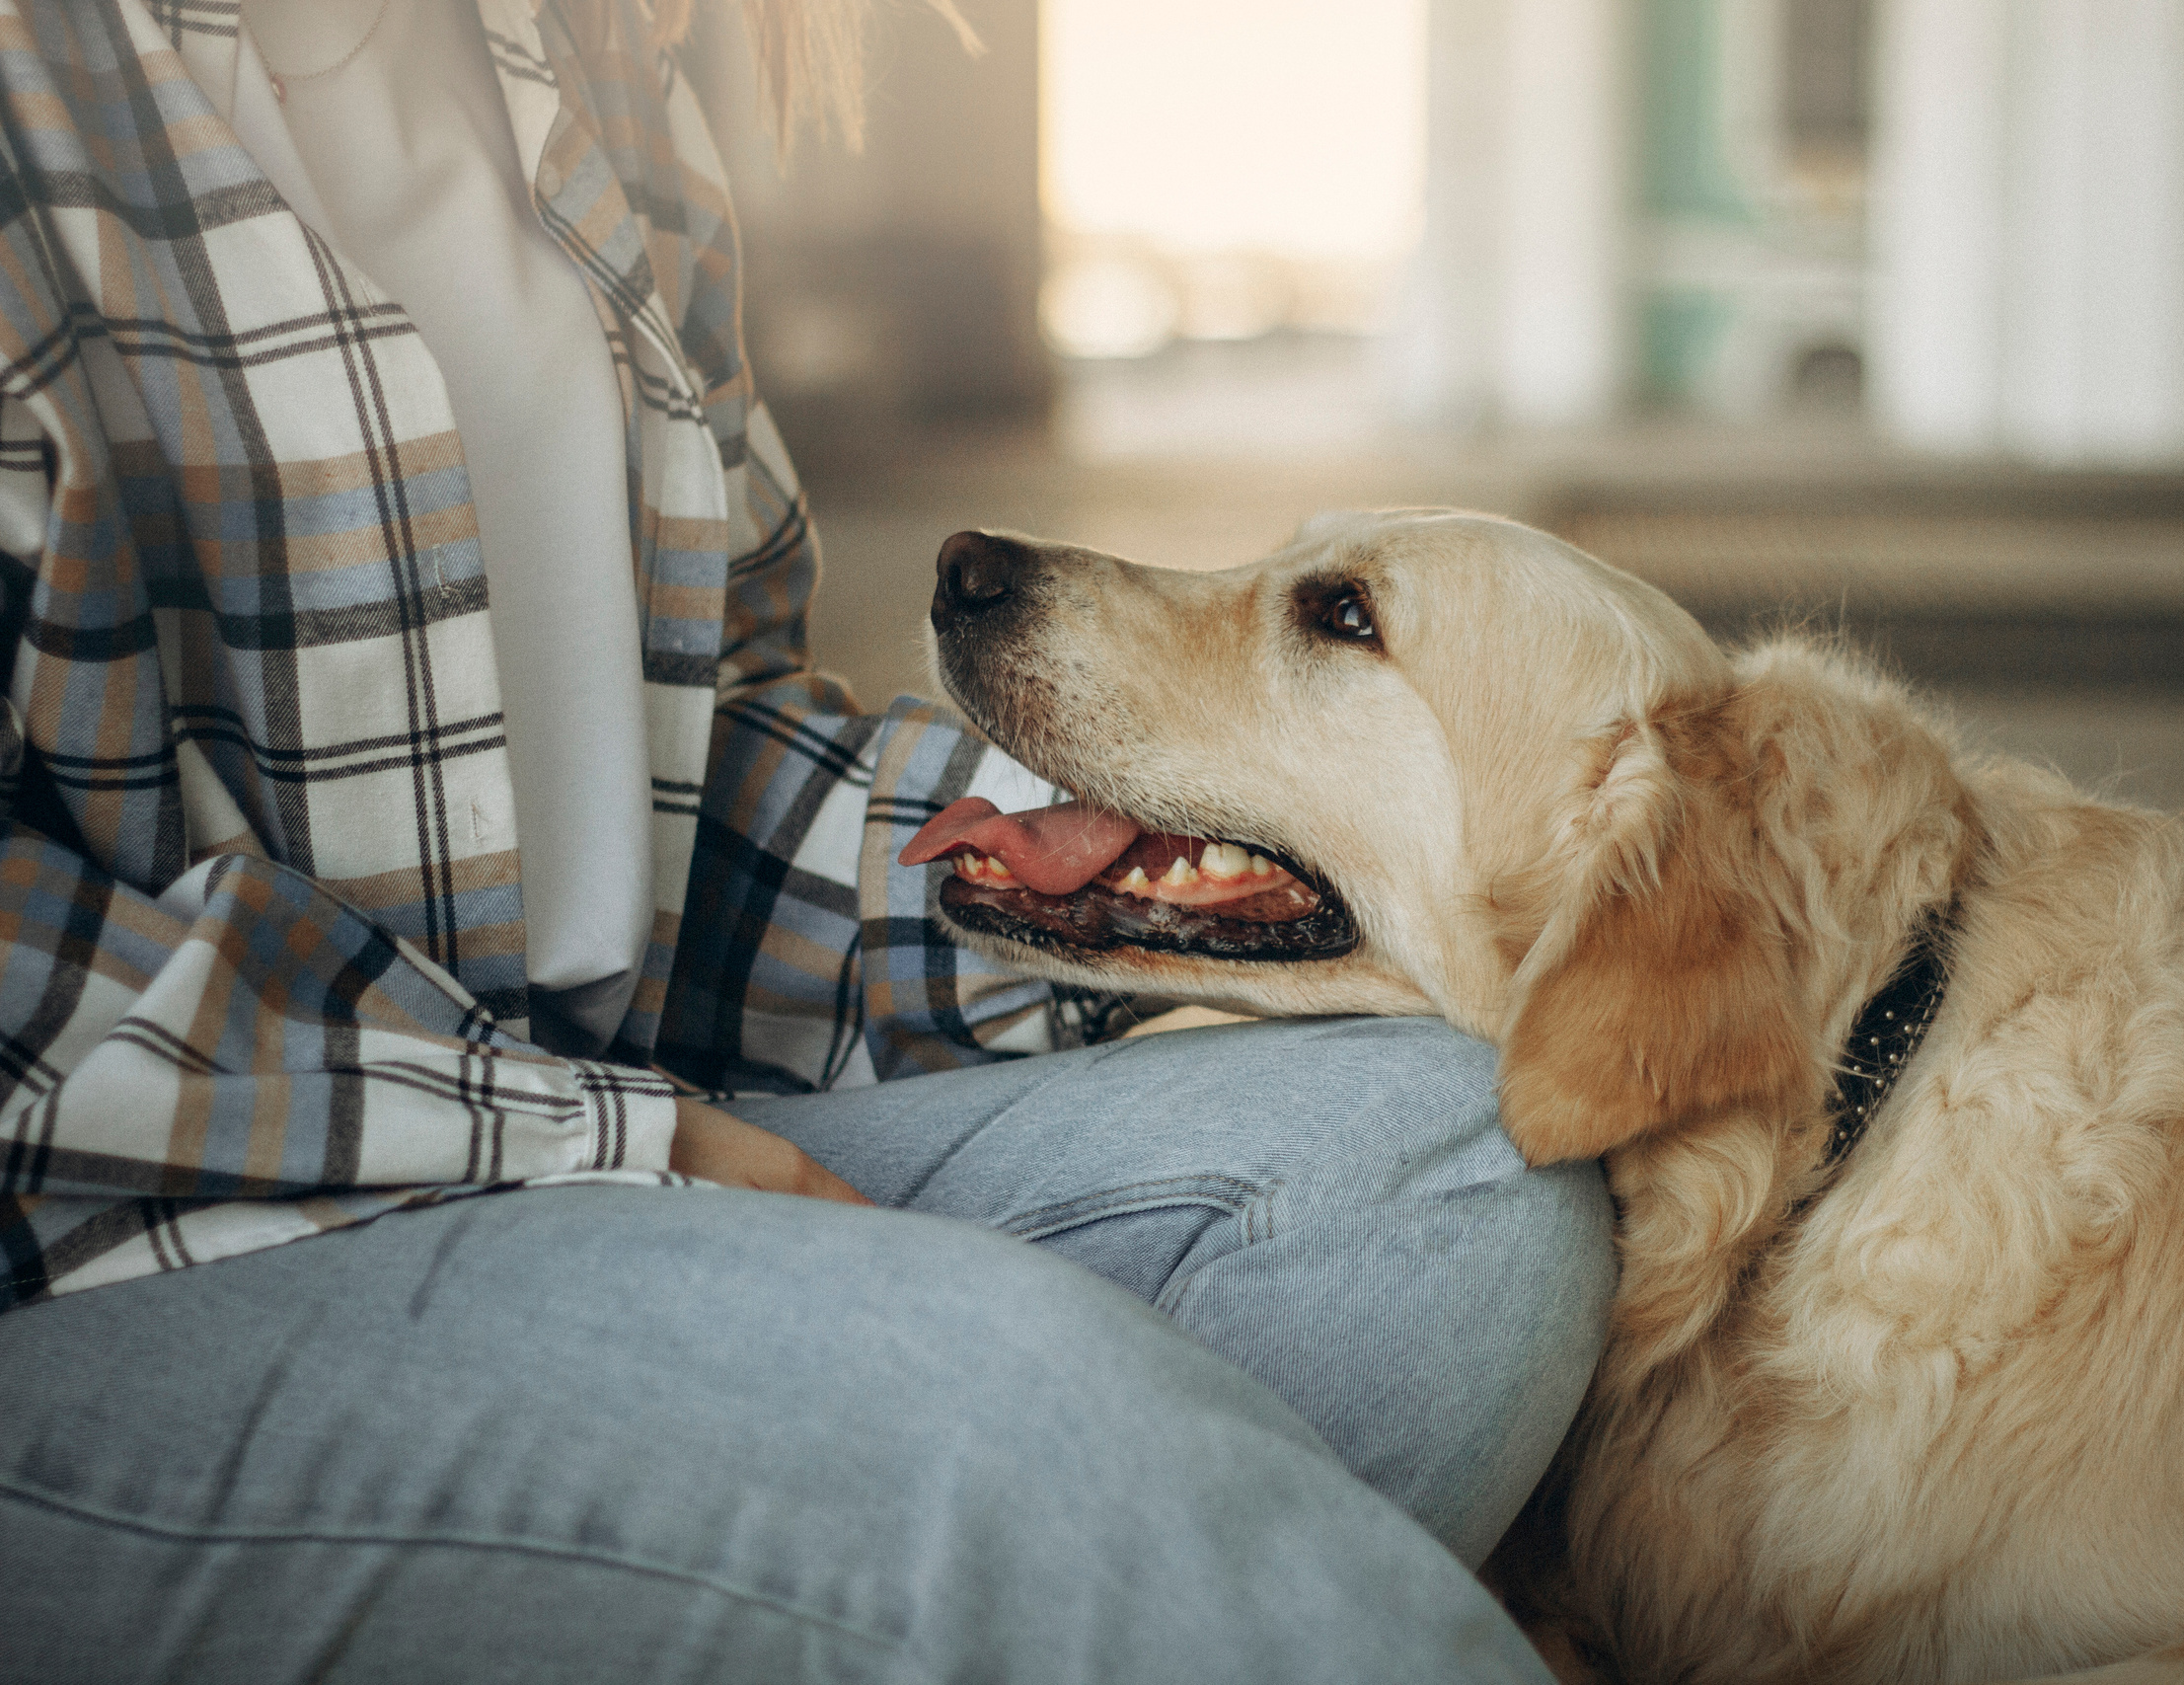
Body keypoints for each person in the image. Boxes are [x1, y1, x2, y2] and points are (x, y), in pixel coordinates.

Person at [0, 1, 1612, 1679]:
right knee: (1002, 1412)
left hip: (598, 1127)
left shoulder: (591, 64)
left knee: (1466, 1182)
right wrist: (604, 1155)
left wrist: (1114, 865)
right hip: (107, 1267)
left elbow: (697, 770)